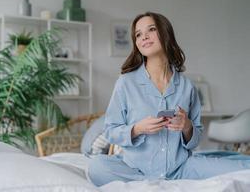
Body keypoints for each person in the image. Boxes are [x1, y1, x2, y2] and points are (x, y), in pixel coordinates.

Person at [87, 11, 250, 187]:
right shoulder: (126, 83)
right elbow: (111, 130)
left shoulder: (187, 87)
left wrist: (186, 126)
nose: (144, 37)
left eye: (151, 29)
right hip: (136, 169)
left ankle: (156, 184)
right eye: (138, 34)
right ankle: (155, 184)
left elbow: (195, 140)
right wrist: (137, 129)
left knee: (242, 168)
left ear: (165, 34)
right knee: (96, 167)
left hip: (182, 168)